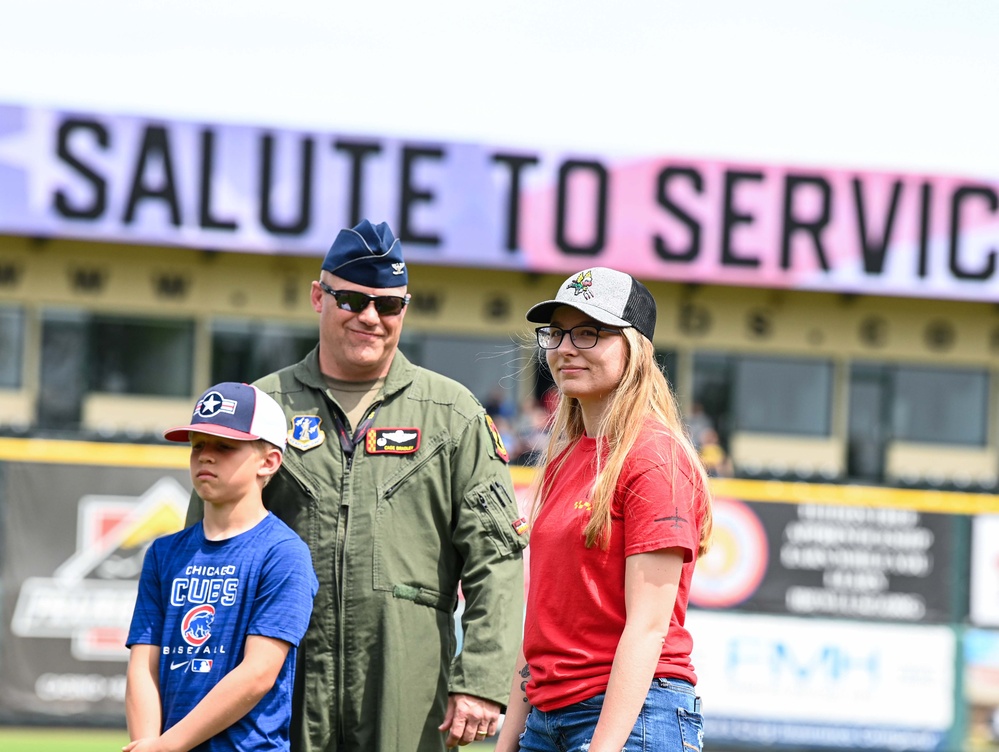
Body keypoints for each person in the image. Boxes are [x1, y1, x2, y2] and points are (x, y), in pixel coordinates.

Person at [185, 220, 527, 752]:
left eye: (387, 306)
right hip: (279, 681)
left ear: (404, 310)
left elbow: (497, 558)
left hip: (408, 687)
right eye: (351, 300)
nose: (370, 317)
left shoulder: (452, 414)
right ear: (318, 297)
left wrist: (481, 680)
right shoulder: (262, 407)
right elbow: (205, 552)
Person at [495, 267, 713, 752]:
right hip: (548, 716)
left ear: (634, 348)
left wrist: (603, 747)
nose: (566, 347)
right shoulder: (561, 459)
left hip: (631, 718)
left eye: (589, 332)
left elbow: (649, 626)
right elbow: (541, 623)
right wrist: (509, 738)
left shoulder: (654, 455)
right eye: (556, 332)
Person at [126, 382, 318, 752]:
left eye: (225, 447)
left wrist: (169, 745)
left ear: (269, 462)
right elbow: (142, 667)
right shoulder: (164, 553)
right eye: (198, 445)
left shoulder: (283, 553)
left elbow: (258, 673)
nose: (206, 457)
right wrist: (148, 743)